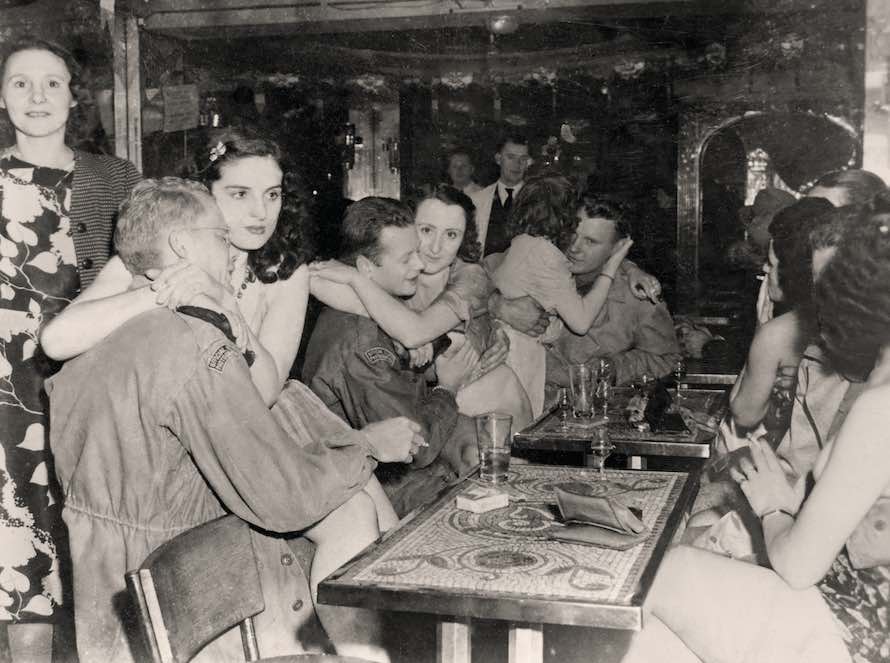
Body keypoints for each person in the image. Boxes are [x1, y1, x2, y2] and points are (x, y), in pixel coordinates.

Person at [39, 128, 399, 661]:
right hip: (182, 435)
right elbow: (57, 339)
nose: (260, 211)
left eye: (272, 194)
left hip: (265, 418)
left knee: (381, 537)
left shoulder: (285, 270)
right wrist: (166, 287)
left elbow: (265, 389)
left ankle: (346, 650)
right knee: (350, 515)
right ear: (205, 195)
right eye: (240, 194)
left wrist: (226, 308)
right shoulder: (160, 249)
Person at [621, 202, 890, 663]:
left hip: (860, 627)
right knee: (662, 639)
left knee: (661, 570)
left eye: (827, 286)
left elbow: (798, 566)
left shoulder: (879, 407)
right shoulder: (876, 386)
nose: (816, 302)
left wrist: (773, 505)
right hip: (860, 604)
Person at [0, 37, 141, 663]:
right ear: (2, 96)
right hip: (5, 399)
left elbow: (150, 264)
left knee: (96, 544)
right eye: (21, 83)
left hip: (87, 385)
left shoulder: (117, 179)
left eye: (52, 83)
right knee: (20, 560)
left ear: (73, 96)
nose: (37, 96)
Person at [303, 197, 481, 517]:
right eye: (407, 258)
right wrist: (448, 388)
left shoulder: (375, 310)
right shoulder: (361, 344)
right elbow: (416, 447)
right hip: (381, 485)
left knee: (482, 445)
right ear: (366, 268)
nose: (420, 265)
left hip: (399, 466)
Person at [309, 184, 531, 428]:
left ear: (464, 239)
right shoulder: (395, 278)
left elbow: (414, 332)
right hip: (431, 401)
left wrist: (357, 282)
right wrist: (395, 326)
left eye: (451, 235)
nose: (436, 248)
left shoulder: (470, 278)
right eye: (426, 230)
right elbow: (315, 283)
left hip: (484, 395)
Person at [724, 197, 835, 449]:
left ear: (793, 273)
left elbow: (743, 414)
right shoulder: (843, 320)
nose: (765, 268)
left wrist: (760, 329)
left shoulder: (779, 332)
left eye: (772, 264)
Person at [469, 131, 531, 255]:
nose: (517, 164)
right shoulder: (476, 200)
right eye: (511, 157)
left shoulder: (535, 200)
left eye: (523, 159)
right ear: (498, 159)